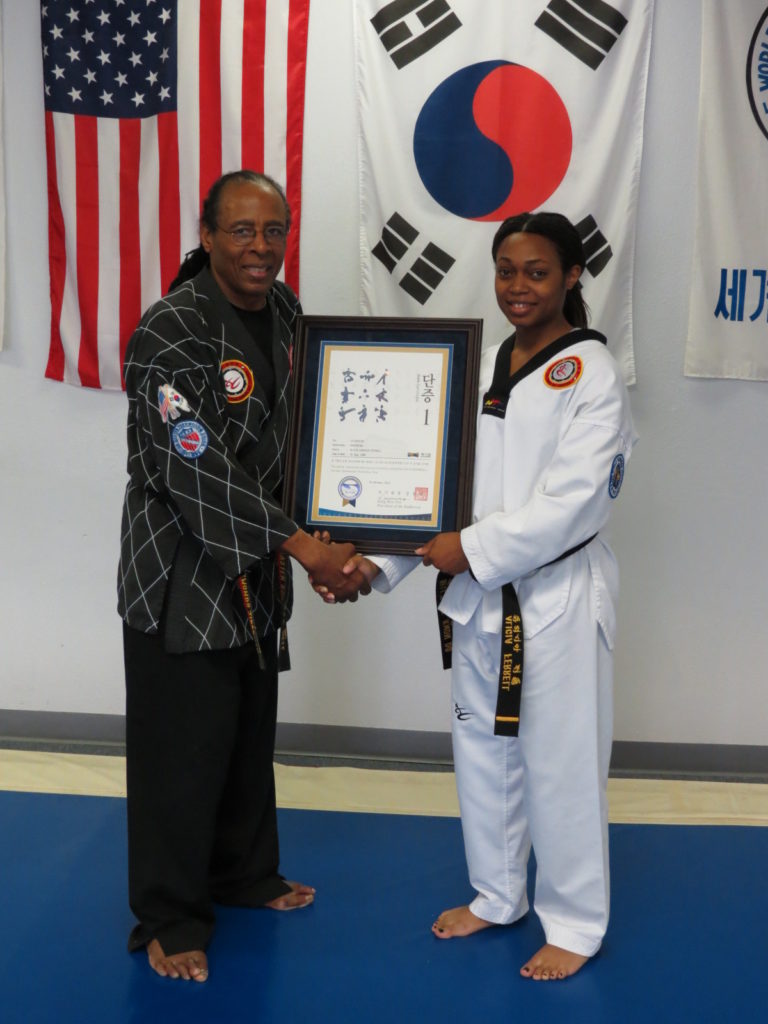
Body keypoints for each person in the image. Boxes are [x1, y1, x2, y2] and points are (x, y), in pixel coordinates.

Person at [317, 211, 636, 981]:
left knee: (561, 762)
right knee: (483, 752)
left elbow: (575, 502)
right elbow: (441, 494)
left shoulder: (591, 375)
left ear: (571, 277)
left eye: (535, 271)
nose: (518, 286)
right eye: (505, 270)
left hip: (555, 598)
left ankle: (577, 922)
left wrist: (477, 549)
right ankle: (498, 894)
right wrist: (376, 565)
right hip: (480, 599)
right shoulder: (486, 361)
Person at [117, 170, 369, 982]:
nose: (261, 249)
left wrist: (335, 534)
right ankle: (169, 915)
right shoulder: (171, 329)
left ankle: (243, 872)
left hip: (262, 563)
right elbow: (194, 467)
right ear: (206, 234)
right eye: (242, 231)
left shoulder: (288, 314)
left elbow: (303, 437)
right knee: (180, 750)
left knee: (244, 732)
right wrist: (305, 546)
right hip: (183, 567)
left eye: (275, 231)